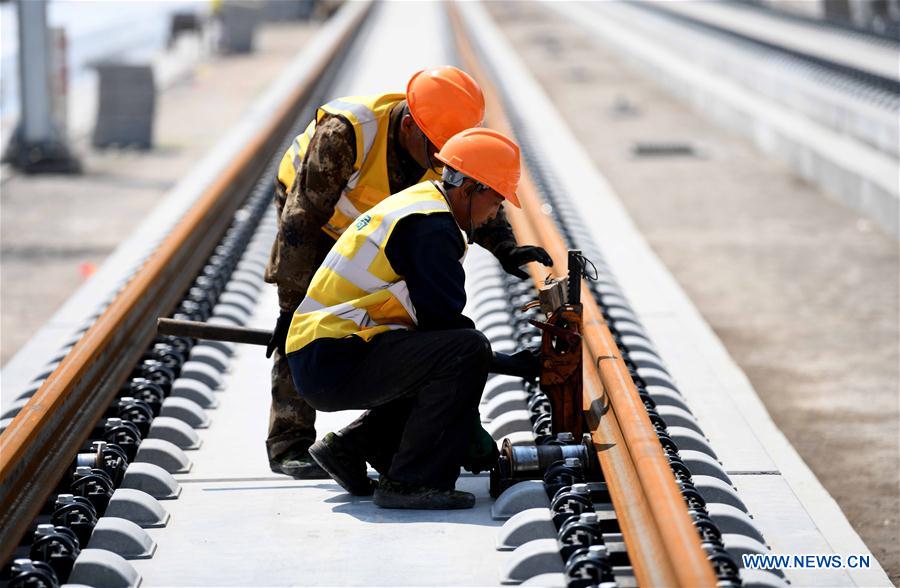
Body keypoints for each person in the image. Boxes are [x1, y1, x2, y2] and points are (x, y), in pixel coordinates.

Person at [264, 66, 552, 478]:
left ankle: (370, 443)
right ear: (410, 125)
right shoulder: (347, 133)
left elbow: (475, 187)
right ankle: (289, 443)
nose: (442, 160)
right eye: (436, 148)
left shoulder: (440, 148)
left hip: (379, 230)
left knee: (400, 330)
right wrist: (291, 306)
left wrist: (505, 247)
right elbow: (300, 223)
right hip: (317, 222)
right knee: (303, 324)